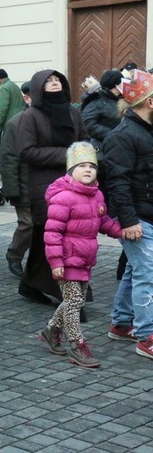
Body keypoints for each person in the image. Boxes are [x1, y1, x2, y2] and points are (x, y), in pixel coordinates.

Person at [38, 142, 121, 367]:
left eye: (91, 166)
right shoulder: (64, 197)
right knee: (74, 302)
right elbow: (52, 232)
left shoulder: (96, 196)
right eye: (81, 165)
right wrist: (55, 261)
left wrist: (121, 231)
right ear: (70, 170)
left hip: (85, 259)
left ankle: (50, 330)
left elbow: (102, 222)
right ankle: (77, 345)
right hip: (66, 259)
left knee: (74, 300)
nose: (87, 170)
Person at [17, 70, 88, 305]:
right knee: (58, 238)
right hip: (45, 186)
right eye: (48, 81)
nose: (54, 83)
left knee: (44, 239)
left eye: (57, 79)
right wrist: (67, 155)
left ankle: (30, 284)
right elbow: (26, 151)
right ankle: (66, 292)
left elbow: (84, 140)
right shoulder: (31, 116)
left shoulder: (72, 112)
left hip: (74, 183)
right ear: (39, 88)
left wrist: (87, 154)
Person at [104, 69, 153, 359]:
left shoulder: (146, 130)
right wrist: (129, 221)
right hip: (136, 217)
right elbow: (117, 183)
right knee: (149, 272)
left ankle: (121, 323)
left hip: (146, 212)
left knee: (137, 270)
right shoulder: (123, 135)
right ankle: (147, 335)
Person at [0, 84, 33, 277]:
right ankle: (15, 254)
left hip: (47, 187)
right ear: (27, 98)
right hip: (23, 184)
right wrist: (12, 189)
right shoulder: (16, 123)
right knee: (27, 224)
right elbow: (9, 158)